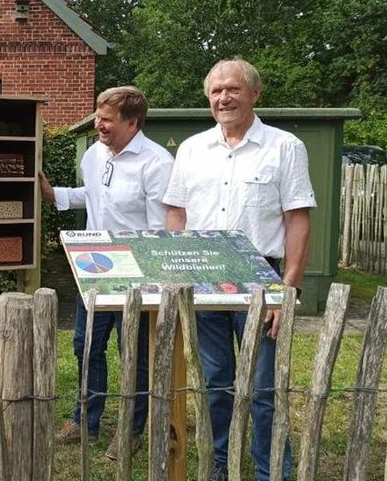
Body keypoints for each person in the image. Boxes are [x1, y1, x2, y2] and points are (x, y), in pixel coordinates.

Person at [163, 58, 314, 481]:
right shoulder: (192, 149)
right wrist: (178, 267)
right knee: (215, 383)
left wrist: (287, 290)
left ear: (254, 93)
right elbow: (176, 213)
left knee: (264, 388)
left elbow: (297, 219)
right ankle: (220, 467)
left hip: (261, 279)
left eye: (233, 89)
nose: (224, 97)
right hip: (204, 275)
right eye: (216, 91)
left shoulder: (284, 147)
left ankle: (271, 473)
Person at [40, 86, 173, 459]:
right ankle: (85, 420)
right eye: (98, 116)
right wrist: (56, 195)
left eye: (107, 120)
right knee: (86, 345)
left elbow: (158, 229)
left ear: (132, 123)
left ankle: (131, 430)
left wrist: (150, 283)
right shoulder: (96, 155)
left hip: (137, 275)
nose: (98, 124)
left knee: (134, 353)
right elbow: (95, 194)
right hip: (96, 268)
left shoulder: (156, 164)